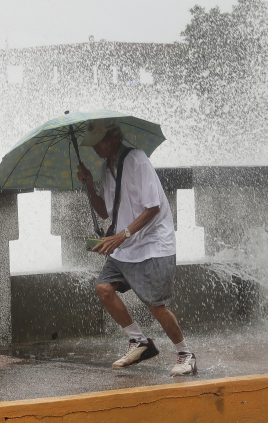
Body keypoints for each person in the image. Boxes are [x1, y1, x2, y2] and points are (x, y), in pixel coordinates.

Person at [76, 118, 197, 377]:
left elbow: (153, 207)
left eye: (98, 142)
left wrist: (122, 235)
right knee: (103, 288)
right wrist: (87, 182)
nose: (95, 148)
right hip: (126, 245)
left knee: (155, 305)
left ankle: (186, 354)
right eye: (92, 144)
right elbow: (105, 212)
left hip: (153, 244)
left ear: (113, 138)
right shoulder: (104, 168)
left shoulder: (137, 159)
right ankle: (139, 341)